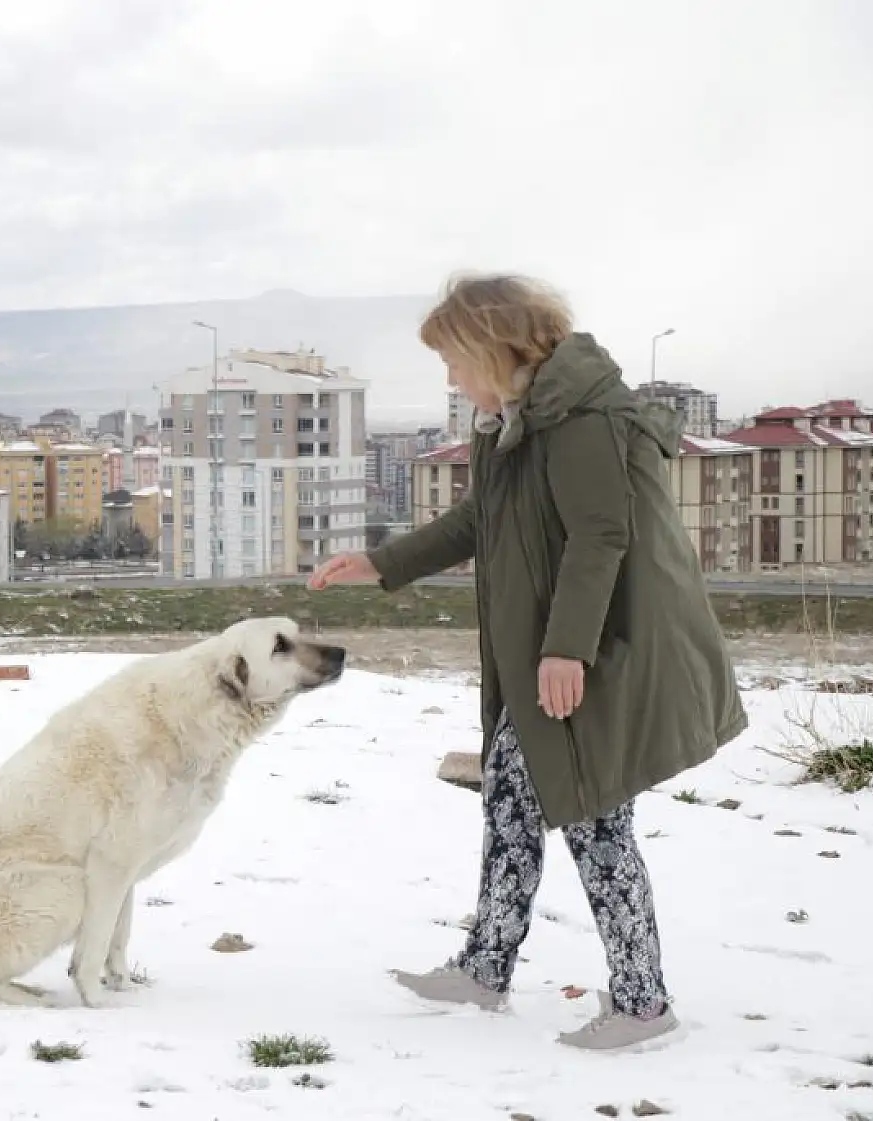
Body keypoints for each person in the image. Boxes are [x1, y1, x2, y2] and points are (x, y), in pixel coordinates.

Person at [310, 273, 747, 1050]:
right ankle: (486, 967)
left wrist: (566, 649)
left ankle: (643, 1004)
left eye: (453, 360)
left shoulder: (579, 422)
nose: (449, 378)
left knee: (593, 816)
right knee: (512, 802)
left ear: (493, 346)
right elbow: (481, 518)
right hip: (553, 656)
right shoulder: (513, 424)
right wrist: (382, 562)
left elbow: (600, 537)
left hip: (599, 653)